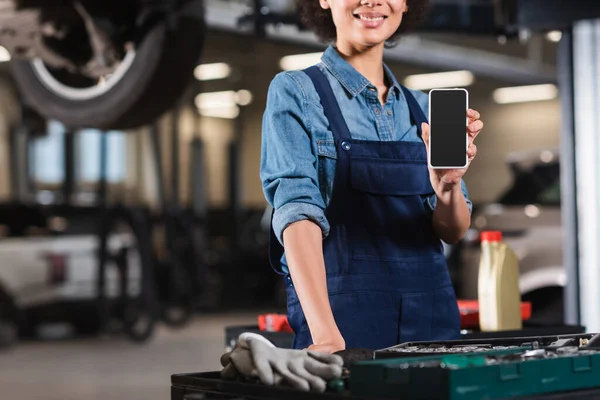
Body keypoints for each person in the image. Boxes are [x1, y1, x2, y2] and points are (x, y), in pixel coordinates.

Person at [260, 0, 484, 353]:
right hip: (342, 325)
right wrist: (325, 334)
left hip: (431, 325)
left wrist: (448, 187)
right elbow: (297, 214)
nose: (373, 1)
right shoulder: (297, 92)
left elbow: (453, 231)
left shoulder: (423, 108)